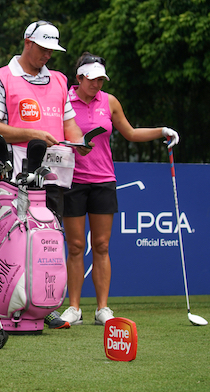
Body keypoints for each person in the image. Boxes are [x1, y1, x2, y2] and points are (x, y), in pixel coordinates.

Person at [0, 20, 91, 329]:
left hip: (53, 175)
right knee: (13, 243)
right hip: (15, 177)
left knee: (47, 242)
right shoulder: (0, 78)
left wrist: (80, 141)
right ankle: (5, 303)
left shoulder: (58, 80)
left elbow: (69, 124)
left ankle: (42, 304)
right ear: (27, 42)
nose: (47, 56)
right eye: (42, 48)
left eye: (51, 51)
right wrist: (33, 134)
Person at [60, 53, 179, 326]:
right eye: (93, 79)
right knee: (76, 246)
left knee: (101, 245)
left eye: (101, 79)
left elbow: (131, 133)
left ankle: (102, 309)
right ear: (79, 78)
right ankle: (74, 308)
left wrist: (163, 131)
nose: (97, 84)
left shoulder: (109, 101)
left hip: (103, 180)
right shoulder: (64, 99)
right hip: (73, 181)